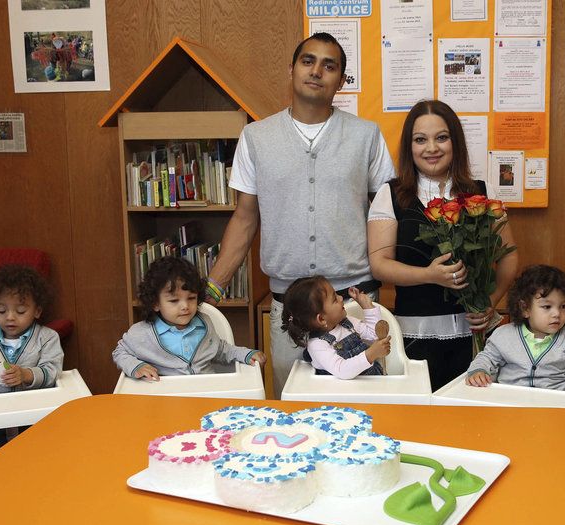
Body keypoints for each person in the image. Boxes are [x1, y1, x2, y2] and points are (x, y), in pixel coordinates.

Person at [204, 32, 395, 395]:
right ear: (291, 69)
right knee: (295, 410)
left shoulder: (366, 136)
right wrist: (212, 288)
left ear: (341, 80)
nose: (317, 71)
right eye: (308, 61)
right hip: (289, 311)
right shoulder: (256, 137)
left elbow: (386, 215)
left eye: (330, 65)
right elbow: (245, 218)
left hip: (355, 304)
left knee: (367, 407)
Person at [367, 100, 518, 389]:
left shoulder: (480, 191)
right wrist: (429, 275)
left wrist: (490, 303)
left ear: (455, 142)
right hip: (414, 337)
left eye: (441, 138)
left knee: (474, 421)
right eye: (420, 140)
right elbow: (379, 264)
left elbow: (510, 256)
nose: (431, 148)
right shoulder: (392, 193)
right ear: (410, 147)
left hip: (472, 336)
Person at [0, 265, 63, 466]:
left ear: (37, 311)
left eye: (21, 310)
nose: (10, 317)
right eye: (2, 310)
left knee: (41, 450)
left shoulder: (47, 338)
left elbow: (52, 371)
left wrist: (26, 375)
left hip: (32, 410)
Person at [464, 265, 565, 402]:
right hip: (509, 405)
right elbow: (486, 358)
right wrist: (479, 371)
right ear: (525, 308)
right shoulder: (503, 336)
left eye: (563, 306)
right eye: (547, 306)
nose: (557, 313)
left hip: (558, 408)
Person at [113, 256, 264, 380]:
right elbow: (120, 352)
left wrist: (246, 354)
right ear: (155, 303)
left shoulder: (204, 324)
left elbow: (220, 350)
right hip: (165, 399)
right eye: (174, 301)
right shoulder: (141, 333)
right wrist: (135, 367)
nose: (185, 306)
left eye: (191, 298)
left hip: (207, 393)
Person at [280, 276, 391, 379]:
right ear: (321, 319)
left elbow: (374, 335)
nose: (341, 298)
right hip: (343, 396)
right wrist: (371, 354)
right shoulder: (317, 345)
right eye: (334, 299)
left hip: (371, 386)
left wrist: (367, 306)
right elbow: (342, 370)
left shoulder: (349, 324)